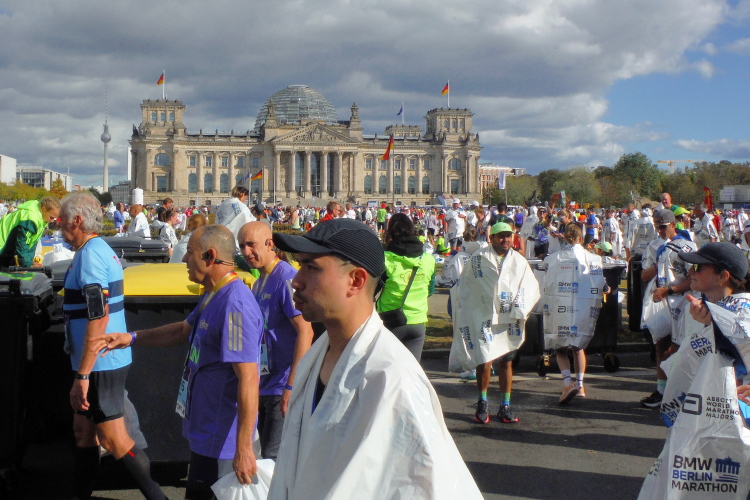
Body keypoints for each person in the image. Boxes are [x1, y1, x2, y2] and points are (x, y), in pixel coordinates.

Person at [267, 218, 482, 499]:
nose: (296, 281)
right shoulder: (316, 357)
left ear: (356, 280)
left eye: (311, 267)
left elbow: (426, 485)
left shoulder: (392, 379)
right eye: (299, 266)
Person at [94, 225, 263, 499]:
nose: (184, 259)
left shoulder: (235, 306)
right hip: (205, 432)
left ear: (210, 256)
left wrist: (244, 449)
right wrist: (132, 337)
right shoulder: (213, 293)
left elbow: (248, 377)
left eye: (190, 253)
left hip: (222, 441)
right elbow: (182, 331)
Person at [60, 192, 165, 500]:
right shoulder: (96, 249)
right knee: (84, 432)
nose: (58, 226)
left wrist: (83, 374)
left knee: (114, 439)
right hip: (100, 359)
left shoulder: (91, 255)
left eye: (61, 220)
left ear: (76, 221)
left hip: (100, 363)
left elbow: (99, 315)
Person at [237, 222, 314, 460]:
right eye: (242, 246)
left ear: (270, 244)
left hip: (281, 385)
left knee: (273, 457)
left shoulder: (285, 278)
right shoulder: (260, 280)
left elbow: (306, 331)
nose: (246, 252)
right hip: (265, 382)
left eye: (251, 245)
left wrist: (292, 385)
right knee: (267, 456)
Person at [451, 222, 541, 424]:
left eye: (508, 236)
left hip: (508, 319)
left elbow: (530, 287)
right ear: (492, 238)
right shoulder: (478, 259)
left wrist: (520, 309)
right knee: (484, 360)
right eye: (501, 236)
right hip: (484, 318)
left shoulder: (519, 261)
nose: (505, 239)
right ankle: (482, 401)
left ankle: (505, 405)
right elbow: (466, 287)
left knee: (506, 362)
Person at [542, 224, 607, 402]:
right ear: (581, 238)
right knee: (578, 347)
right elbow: (600, 282)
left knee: (560, 347)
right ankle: (580, 385)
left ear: (564, 238)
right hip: (582, 307)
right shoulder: (592, 259)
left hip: (560, 306)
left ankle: (567, 382)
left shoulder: (554, 258)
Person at [640, 209, 697, 408]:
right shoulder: (654, 245)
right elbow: (644, 276)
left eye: (663, 227)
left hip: (682, 301)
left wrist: (670, 290)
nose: (660, 231)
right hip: (661, 301)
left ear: (673, 224)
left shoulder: (688, 246)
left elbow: (694, 279)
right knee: (661, 346)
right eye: (657, 227)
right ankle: (661, 391)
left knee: (682, 348)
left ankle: (683, 392)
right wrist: (658, 265)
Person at [376, 213, 436, 361]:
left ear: (390, 233)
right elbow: (430, 290)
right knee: (411, 370)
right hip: (417, 321)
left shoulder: (386, 258)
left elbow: (371, 291)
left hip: (391, 319)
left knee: (385, 367)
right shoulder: (428, 259)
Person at [0, 196, 60, 267]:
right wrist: (27, 264)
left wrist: (30, 262)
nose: (52, 221)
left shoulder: (41, 217)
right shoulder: (31, 217)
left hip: (9, 246)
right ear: (43, 209)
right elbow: (22, 242)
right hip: (2, 246)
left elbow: (32, 243)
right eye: (51, 217)